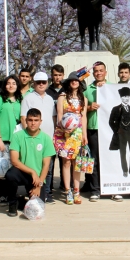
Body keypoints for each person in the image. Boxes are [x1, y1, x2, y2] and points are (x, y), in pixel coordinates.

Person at [4, 108, 55, 217]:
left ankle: (21, 201)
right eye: (30, 120)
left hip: (37, 179)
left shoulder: (46, 139)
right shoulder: (17, 136)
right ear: (26, 120)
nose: (33, 123)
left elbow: (46, 165)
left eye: (36, 120)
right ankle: (12, 204)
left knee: (37, 210)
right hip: (22, 172)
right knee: (10, 175)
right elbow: (14, 160)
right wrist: (32, 172)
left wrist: (39, 185)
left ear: (40, 121)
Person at [84, 62, 121, 201]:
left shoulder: (113, 87)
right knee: (94, 161)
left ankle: (113, 188)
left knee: (111, 159)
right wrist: (89, 107)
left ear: (106, 72)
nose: (98, 73)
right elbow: (82, 108)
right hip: (93, 130)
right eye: (96, 71)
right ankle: (95, 190)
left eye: (101, 71)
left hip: (110, 131)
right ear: (93, 73)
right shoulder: (88, 90)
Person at [54, 72, 89, 205]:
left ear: (80, 83)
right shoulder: (62, 97)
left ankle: (76, 191)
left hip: (78, 134)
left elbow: (83, 117)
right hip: (64, 134)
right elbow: (59, 115)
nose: (74, 82)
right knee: (66, 163)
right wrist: (63, 128)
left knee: (77, 164)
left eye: (77, 80)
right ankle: (67, 191)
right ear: (68, 83)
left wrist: (84, 135)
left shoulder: (83, 99)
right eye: (72, 80)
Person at [21, 72, 56, 200]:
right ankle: (32, 191)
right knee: (33, 166)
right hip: (33, 138)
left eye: (44, 82)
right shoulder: (28, 98)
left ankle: (46, 192)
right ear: (33, 83)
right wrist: (28, 136)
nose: (41, 84)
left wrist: (55, 135)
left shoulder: (50, 99)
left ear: (47, 83)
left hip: (48, 138)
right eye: (38, 82)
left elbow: (53, 117)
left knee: (48, 167)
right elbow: (24, 118)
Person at [0, 75, 23, 206]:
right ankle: (2, 195)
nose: (11, 85)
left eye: (14, 83)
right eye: (8, 83)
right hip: (2, 139)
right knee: (2, 167)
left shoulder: (20, 100)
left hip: (16, 139)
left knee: (13, 168)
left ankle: (12, 194)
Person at [109, 87, 130, 179]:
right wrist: (117, 130)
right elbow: (111, 121)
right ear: (121, 97)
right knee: (123, 152)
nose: (126, 98)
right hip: (121, 133)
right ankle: (125, 171)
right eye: (124, 96)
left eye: (127, 96)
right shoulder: (116, 109)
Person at [46, 64, 65, 192]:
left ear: (63, 75)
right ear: (51, 76)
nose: (57, 77)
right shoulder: (47, 91)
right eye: (55, 75)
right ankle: (49, 186)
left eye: (59, 75)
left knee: (65, 159)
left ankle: (64, 184)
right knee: (50, 159)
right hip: (50, 130)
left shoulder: (67, 90)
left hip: (65, 131)